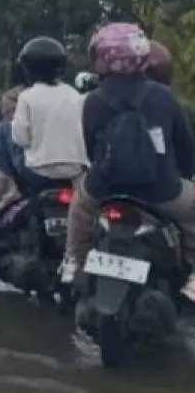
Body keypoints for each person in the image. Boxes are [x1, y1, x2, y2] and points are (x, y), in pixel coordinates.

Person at [59, 24, 195, 300]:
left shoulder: (93, 101)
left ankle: (74, 263)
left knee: (78, 208)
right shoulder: (164, 97)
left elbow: (90, 149)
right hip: (161, 190)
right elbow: (186, 149)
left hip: (104, 190)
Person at [0, 37, 85, 295]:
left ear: (27, 68)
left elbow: (20, 139)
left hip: (34, 175)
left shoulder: (24, 97)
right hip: (73, 175)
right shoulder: (76, 96)